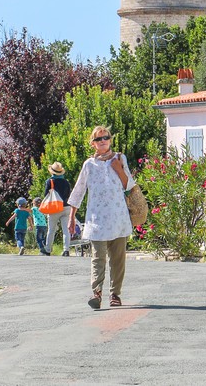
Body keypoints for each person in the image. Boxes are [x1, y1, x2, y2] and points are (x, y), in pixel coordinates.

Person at [67, 126, 134, 309]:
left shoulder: (120, 158)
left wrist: (118, 169)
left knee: (118, 259)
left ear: (110, 140)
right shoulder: (89, 165)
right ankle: (96, 293)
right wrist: (72, 217)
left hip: (118, 218)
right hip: (96, 220)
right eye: (98, 139)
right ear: (93, 144)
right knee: (98, 258)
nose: (103, 141)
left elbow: (128, 185)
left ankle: (115, 294)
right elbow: (79, 190)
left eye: (106, 137)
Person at [43, 161, 74, 256]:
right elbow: (69, 194)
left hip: (54, 208)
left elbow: (46, 194)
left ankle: (48, 249)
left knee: (51, 230)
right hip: (66, 207)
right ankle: (66, 250)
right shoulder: (66, 182)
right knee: (66, 230)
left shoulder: (50, 181)